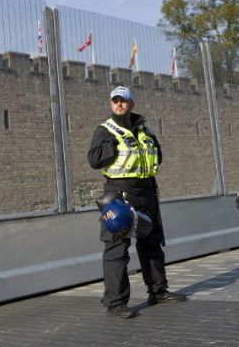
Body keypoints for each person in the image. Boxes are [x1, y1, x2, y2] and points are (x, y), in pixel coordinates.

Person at [88, 86, 185, 319]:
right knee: (116, 249)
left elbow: (157, 156)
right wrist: (113, 145)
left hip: (146, 190)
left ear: (131, 103)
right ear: (111, 104)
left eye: (123, 100)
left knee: (151, 243)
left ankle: (158, 291)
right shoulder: (105, 130)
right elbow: (94, 159)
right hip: (119, 193)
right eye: (115, 101)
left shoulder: (144, 129)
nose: (119, 104)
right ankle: (116, 302)